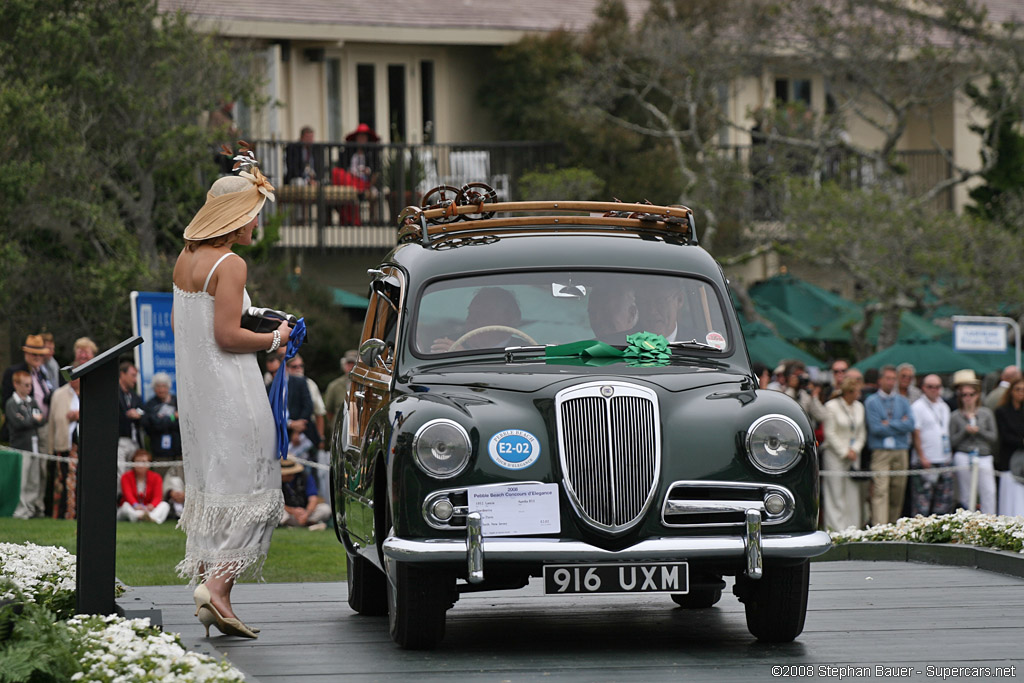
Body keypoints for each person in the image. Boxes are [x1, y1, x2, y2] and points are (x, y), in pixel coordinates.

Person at [172, 161, 287, 639]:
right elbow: (225, 335)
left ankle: (209, 588)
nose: (255, 223)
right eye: (253, 214)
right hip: (234, 390)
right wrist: (275, 338)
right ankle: (217, 589)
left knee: (214, 488)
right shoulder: (232, 263)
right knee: (259, 487)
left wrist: (251, 316)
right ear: (235, 217)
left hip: (198, 398)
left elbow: (197, 327)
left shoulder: (185, 259)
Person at [4, 335, 54, 519]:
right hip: (21, 435)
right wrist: (32, 418)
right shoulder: (15, 372)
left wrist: (35, 418)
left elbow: (38, 413)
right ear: (26, 353)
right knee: (23, 474)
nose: (37, 357)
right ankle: (21, 508)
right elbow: (14, 411)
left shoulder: (43, 373)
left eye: (40, 354)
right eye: (33, 354)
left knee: (38, 470)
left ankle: (35, 507)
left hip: (39, 431)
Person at [864, 365, 915, 525]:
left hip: (901, 450)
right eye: (888, 378)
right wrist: (899, 424)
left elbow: (911, 425)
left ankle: (893, 527)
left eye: (894, 379)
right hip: (881, 451)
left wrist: (888, 423)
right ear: (880, 380)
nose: (891, 382)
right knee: (881, 490)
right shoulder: (871, 401)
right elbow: (876, 428)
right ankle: (880, 527)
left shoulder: (903, 400)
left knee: (897, 490)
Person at [949, 369, 997, 514]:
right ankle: (968, 523)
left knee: (989, 491)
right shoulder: (955, 416)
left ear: (977, 395)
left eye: (971, 394)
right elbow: (952, 441)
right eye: (964, 395)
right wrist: (965, 431)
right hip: (963, 455)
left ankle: (991, 523)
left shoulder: (986, 413)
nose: (968, 398)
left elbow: (993, 437)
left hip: (983, 456)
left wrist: (979, 430)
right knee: (966, 493)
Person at [821, 375, 866, 531]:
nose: (859, 394)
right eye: (857, 391)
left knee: (852, 495)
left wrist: (855, 450)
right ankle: (835, 530)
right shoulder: (831, 406)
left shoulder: (859, 407)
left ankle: (852, 529)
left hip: (854, 456)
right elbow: (830, 433)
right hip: (835, 455)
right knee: (835, 494)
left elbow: (861, 433)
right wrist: (844, 451)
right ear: (849, 392)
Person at [909, 374, 955, 517]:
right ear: (923, 388)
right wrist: (922, 456)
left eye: (937, 387)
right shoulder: (917, 407)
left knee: (943, 503)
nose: (934, 390)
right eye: (930, 386)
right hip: (926, 461)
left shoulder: (944, 406)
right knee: (922, 502)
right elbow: (915, 433)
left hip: (944, 459)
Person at [6, 371, 47, 519]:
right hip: (20, 446)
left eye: (30, 384)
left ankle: (30, 509)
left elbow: (42, 420)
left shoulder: (31, 401)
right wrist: (33, 420)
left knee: (33, 480)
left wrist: (31, 419)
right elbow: (18, 423)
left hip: (34, 446)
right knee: (21, 481)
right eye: (26, 385)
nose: (29, 388)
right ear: (16, 384)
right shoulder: (12, 403)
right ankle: (20, 510)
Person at [431, 287, 524, 352]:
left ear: (508, 320)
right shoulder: (448, 346)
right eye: (471, 313)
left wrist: (463, 358)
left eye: (484, 315)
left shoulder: (524, 351)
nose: (472, 320)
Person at [47, 367, 82, 519]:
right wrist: (50, 448)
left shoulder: (91, 392)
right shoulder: (59, 394)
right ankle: (62, 514)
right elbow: (53, 423)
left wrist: (80, 415)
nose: (74, 380)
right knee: (63, 481)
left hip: (84, 446)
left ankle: (79, 513)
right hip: (64, 445)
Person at [117, 449, 171, 524]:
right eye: (138, 461)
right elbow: (127, 494)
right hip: (134, 508)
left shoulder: (156, 477)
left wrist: (152, 506)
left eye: (143, 462)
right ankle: (140, 517)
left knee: (165, 505)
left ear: (149, 464)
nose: (140, 465)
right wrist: (135, 505)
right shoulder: (126, 477)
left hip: (148, 509)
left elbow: (158, 496)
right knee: (125, 506)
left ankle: (151, 518)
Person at [279, 455, 330, 530]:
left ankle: (302, 523)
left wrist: (306, 513)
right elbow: (276, 502)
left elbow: (313, 498)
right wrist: (293, 511)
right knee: (279, 512)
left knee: (325, 509)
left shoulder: (305, 476)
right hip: (288, 513)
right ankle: (307, 524)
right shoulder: (276, 481)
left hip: (305, 511)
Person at [141, 372, 181, 468]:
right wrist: (173, 417)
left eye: (164, 386)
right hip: (160, 452)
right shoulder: (150, 405)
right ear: (154, 389)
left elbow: (182, 423)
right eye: (158, 387)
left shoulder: (178, 401)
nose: (161, 390)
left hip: (179, 450)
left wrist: (164, 421)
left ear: (168, 387)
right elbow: (154, 424)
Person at [323, 350, 358, 446]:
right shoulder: (334, 385)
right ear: (344, 364)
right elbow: (329, 412)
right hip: (339, 432)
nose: (350, 366)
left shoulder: (366, 385)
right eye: (348, 363)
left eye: (354, 363)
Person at [117, 360, 144, 477]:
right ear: (122, 374)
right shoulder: (113, 393)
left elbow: (145, 414)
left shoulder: (135, 396)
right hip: (119, 440)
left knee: (132, 475)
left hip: (134, 441)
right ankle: (118, 495)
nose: (135, 380)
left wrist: (139, 416)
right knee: (120, 473)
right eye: (132, 375)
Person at [994, 377, 1024, 473]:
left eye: (1023, 390)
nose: (1020, 392)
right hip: (1008, 455)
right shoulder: (1002, 411)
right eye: (1017, 389)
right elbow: (1005, 435)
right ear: (1011, 391)